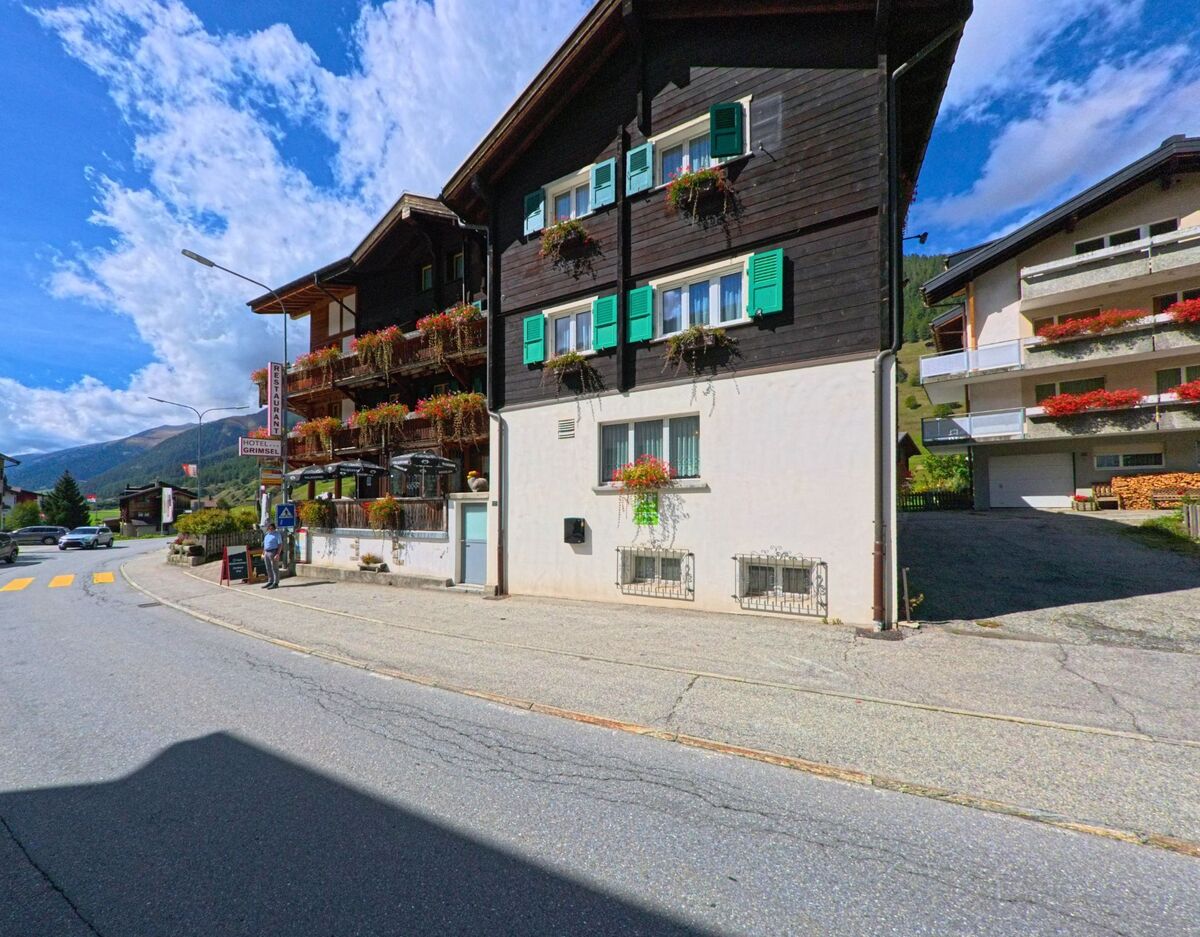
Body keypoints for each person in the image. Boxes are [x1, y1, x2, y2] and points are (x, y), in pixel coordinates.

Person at [262, 522, 281, 589]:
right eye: (269, 527)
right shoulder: (267, 535)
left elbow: (280, 545)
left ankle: (276, 583)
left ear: (273, 528)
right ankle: (270, 581)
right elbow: (265, 545)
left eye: (271, 527)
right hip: (266, 552)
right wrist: (263, 553)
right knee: (268, 568)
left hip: (273, 552)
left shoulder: (277, 534)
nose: (270, 528)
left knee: (274, 568)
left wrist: (277, 554)